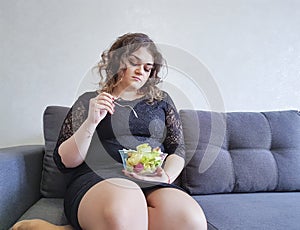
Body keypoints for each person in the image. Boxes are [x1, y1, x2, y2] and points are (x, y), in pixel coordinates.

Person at [12, 33, 207, 230]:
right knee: (124, 210)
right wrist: (91, 122)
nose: (141, 71)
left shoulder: (162, 101)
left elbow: (177, 149)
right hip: (100, 178)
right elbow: (65, 161)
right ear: (116, 61)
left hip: (152, 180)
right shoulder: (89, 101)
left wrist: (165, 177)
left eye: (148, 68)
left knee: (191, 220)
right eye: (134, 62)